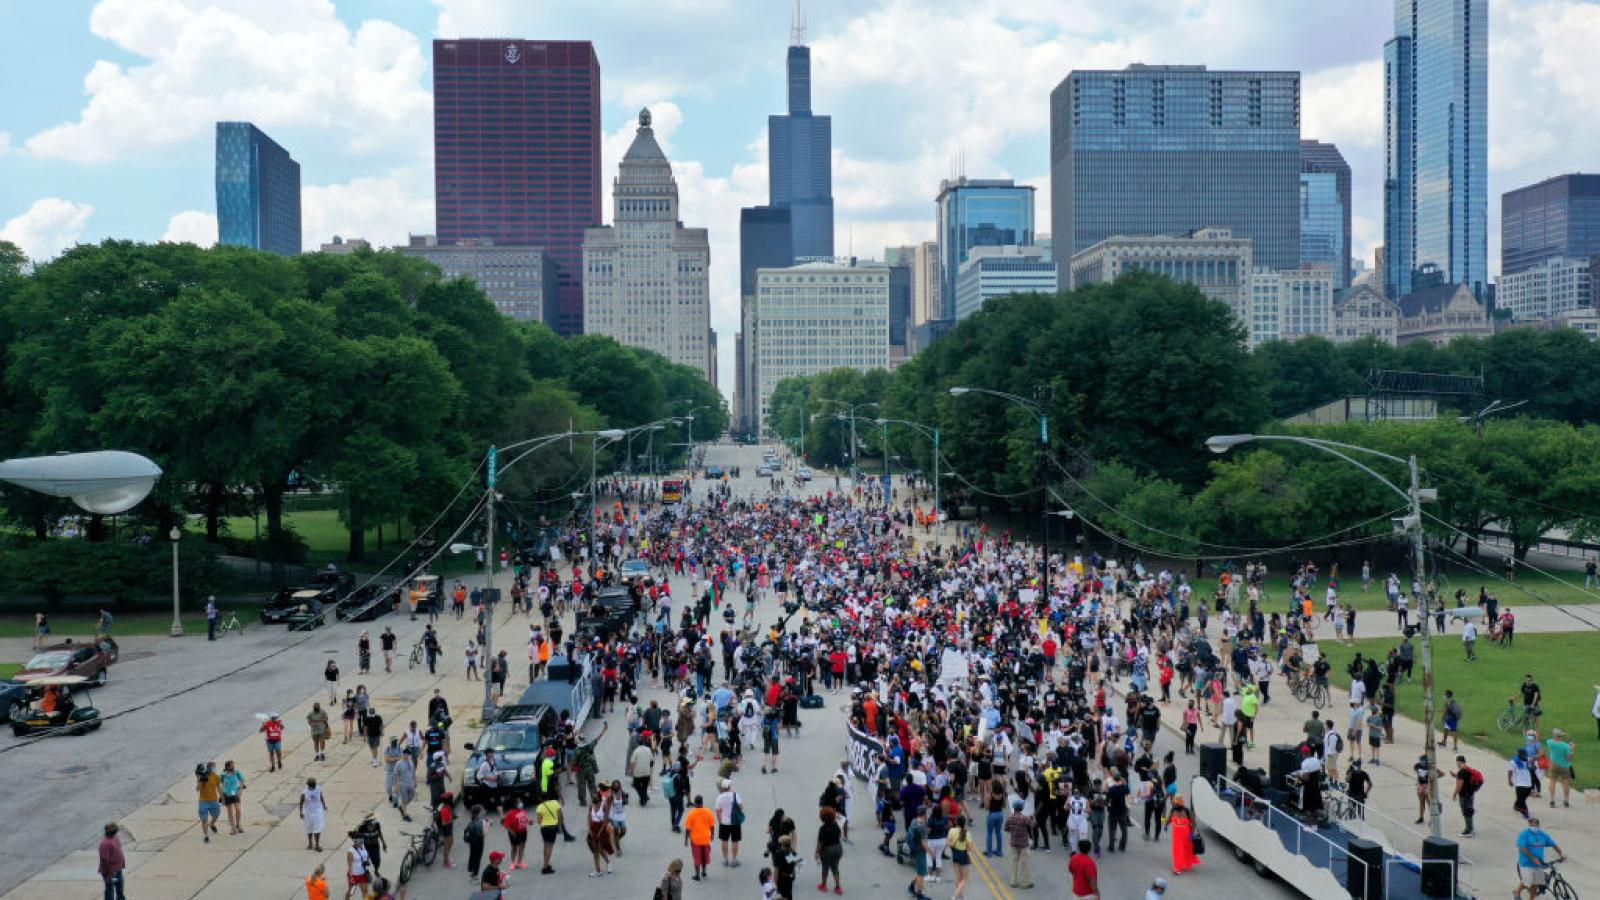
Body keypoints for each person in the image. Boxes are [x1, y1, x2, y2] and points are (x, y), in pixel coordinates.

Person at [1514, 817, 1565, 900]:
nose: (1534, 826)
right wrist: (1533, 858)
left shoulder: (1542, 834)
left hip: (1539, 863)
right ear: (1529, 824)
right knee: (1528, 880)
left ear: (1538, 825)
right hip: (1526, 862)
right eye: (1532, 824)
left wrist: (1561, 854)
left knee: (1535, 882)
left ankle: (1531, 898)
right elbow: (1523, 848)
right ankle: (1517, 892)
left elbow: (1553, 844)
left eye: (1536, 824)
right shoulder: (1524, 834)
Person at [683, 795, 716, 881]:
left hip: (695, 840)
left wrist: (686, 840)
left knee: (697, 858)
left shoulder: (691, 814)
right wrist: (712, 835)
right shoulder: (708, 812)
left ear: (695, 803)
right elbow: (712, 825)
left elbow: (688, 829)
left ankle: (697, 875)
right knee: (705, 856)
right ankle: (704, 871)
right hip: (706, 839)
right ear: (702, 802)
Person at [1002, 798, 1031, 890]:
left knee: (1014, 861)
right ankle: (1025, 882)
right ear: (1021, 808)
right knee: (1024, 862)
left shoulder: (1009, 817)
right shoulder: (1024, 818)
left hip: (1014, 842)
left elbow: (1006, 829)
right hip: (1023, 843)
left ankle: (1013, 881)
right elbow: (1032, 825)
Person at [715, 778, 743, 868]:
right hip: (735, 822)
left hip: (724, 822)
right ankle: (734, 860)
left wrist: (720, 821)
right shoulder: (735, 795)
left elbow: (718, 811)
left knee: (724, 841)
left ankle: (725, 860)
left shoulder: (719, 797)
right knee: (735, 841)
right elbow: (741, 807)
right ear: (729, 787)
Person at [1167, 797, 1199, 874]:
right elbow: (1169, 818)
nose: (1176, 805)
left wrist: (1192, 833)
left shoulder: (1187, 811)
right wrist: (1166, 824)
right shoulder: (1173, 810)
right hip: (1176, 836)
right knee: (1177, 851)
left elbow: (1194, 823)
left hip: (1186, 836)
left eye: (1177, 803)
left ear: (1181, 803)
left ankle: (1185, 863)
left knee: (1186, 850)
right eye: (1175, 803)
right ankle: (1177, 867)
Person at [1544, 729, 1575, 808]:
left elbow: (1552, 739)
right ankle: (1566, 801)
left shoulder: (1549, 742)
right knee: (1565, 783)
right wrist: (1572, 749)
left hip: (1553, 765)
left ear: (1554, 735)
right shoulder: (1565, 746)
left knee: (1552, 782)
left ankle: (1552, 801)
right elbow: (1569, 758)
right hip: (1564, 766)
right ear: (1560, 736)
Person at [906, 807, 932, 899]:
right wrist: (931, 852)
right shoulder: (922, 827)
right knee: (921, 873)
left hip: (914, 849)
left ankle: (912, 886)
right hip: (920, 851)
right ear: (924, 814)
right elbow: (924, 844)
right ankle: (919, 894)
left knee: (920, 871)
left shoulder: (914, 821)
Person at [535, 793, 562, 874]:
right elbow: (559, 816)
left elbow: (539, 821)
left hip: (544, 828)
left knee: (546, 846)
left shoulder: (540, 807)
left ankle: (546, 863)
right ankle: (545, 867)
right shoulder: (556, 803)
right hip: (553, 827)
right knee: (550, 848)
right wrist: (559, 826)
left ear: (541, 799)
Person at [946, 813, 971, 900]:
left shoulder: (951, 831)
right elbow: (970, 848)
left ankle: (961, 896)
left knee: (958, 877)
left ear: (956, 822)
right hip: (963, 855)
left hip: (955, 854)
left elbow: (948, 843)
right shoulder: (967, 834)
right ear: (964, 823)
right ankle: (955, 896)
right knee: (964, 878)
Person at [99, 822, 126, 900]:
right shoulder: (105, 844)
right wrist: (109, 873)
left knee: (120, 889)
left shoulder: (115, 838)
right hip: (110, 872)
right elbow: (104, 860)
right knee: (110, 890)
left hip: (118, 869)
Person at [195, 761, 222, 843]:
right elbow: (198, 789)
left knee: (216, 815)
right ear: (209, 767)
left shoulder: (216, 777)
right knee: (204, 819)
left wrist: (222, 797)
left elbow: (218, 788)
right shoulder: (202, 776)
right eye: (214, 767)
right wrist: (200, 780)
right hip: (203, 801)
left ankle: (212, 824)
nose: (215, 768)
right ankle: (206, 836)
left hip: (213, 800)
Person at [503, 799, 531, 871]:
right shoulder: (510, 813)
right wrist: (511, 832)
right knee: (514, 847)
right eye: (519, 802)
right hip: (514, 832)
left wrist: (529, 822)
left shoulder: (523, 811)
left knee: (522, 846)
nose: (521, 803)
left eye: (521, 802)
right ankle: (512, 863)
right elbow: (506, 824)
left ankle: (519, 862)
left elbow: (526, 820)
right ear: (515, 804)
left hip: (523, 832)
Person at [299, 778, 327, 851]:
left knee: (317, 828)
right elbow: (301, 802)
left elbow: (321, 797)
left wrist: (324, 805)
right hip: (308, 813)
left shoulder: (318, 789)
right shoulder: (305, 792)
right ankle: (310, 843)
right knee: (309, 828)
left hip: (318, 812)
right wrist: (301, 812)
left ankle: (317, 844)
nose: (314, 786)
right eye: (312, 785)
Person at [219, 760, 246, 835]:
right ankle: (232, 827)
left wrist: (240, 790)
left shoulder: (236, 772)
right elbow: (218, 785)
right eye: (232, 766)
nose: (233, 767)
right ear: (227, 767)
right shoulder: (223, 774)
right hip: (227, 794)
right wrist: (221, 796)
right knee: (230, 811)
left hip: (235, 794)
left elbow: (242, 780)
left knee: (238, 809)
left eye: (234, 766)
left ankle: (238, 824)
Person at [463, 805, 488, 883]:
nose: (484, 811)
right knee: (478, 857)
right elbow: (484, 833)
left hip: (472, 840)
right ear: (479, 812)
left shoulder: (472, 820)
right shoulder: (481, 821)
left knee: (473, 854)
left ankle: (471, 870)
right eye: (483, 810)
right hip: (479, 840)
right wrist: (487, 824)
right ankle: (475, 875)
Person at [1509, 748, 1535, 818]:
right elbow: (1510, 771)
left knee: (1523, 797)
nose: (1525, 756)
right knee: (1522, 799)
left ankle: (1516, 806)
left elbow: (1533, 768)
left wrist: (1532, 762)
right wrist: (1509, 780)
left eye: (1525, 755)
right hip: (1519, 783)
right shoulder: (1513, 761)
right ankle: (1525, 812)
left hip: (1528, 783)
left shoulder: (1528, 760)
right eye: (1523, 755)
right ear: (1519, 755)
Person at [434, 792, 456, 869]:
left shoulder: (446, 807)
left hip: (448, 827)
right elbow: (444, 822)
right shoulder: (445, 809)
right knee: (447, 846)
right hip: (446, 828)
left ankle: (447, 859)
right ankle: (445, 862)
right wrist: (451, 819)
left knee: (451, 842)